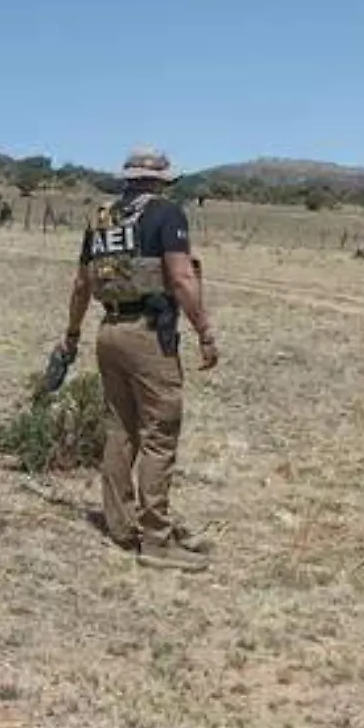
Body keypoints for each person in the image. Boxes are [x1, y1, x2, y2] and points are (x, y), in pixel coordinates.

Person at [54, 146, 219, 571]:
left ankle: (122, 525)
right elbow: (181, 278)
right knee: (160, 435)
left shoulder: (102, 218)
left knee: (120, 429)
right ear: (163, 180)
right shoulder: (167, 215)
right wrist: (204, 331)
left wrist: (72, 333)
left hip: (108, 331)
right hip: (148, 334)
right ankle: (158, 540)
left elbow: (81, 284)